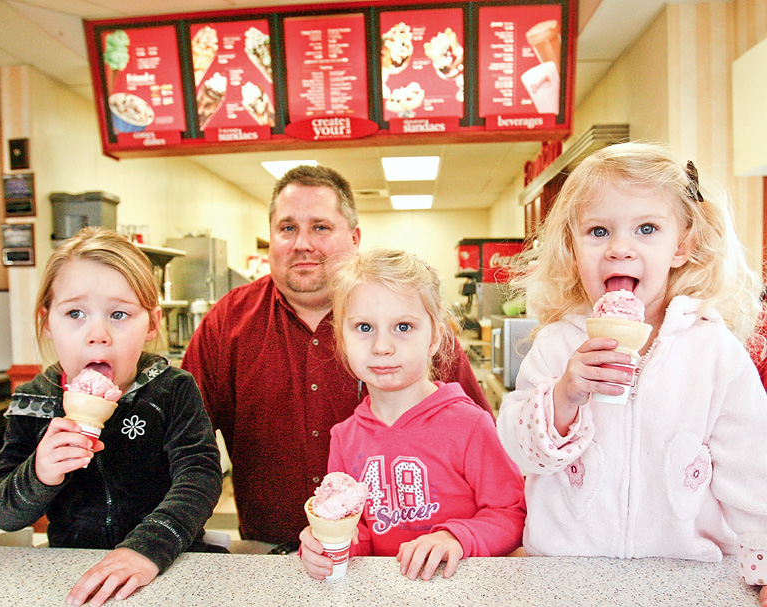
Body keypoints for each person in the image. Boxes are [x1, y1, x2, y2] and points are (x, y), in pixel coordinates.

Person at [495, 142, 767, 605]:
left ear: (682, 245)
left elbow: (751, 471)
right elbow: (520, 454)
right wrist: (562, 397)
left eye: (646, 229)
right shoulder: (557, 344)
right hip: (565, 576)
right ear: (572, 247)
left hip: (685, 577)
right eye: (598, 231)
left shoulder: (714, 351)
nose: (620, 249)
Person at [182, 165, 492, 551]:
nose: (302, 244)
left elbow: (484, 446)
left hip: (409, 559)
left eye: (320, 227)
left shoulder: (406, 319)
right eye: (287, 228)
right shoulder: (228, 322)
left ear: (355, 237)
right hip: (269, 554)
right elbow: (184, 444)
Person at [0, 227, 224, 607]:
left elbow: (200, 476)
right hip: (73, 571)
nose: (98, 334)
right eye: (75, 313)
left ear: (151, 323)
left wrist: (146, 550)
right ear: (48, 321)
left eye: (119, 314)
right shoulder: (35, 399)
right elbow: (1, 510)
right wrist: (41, 472)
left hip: (167, 564)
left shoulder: (173, 389)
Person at [299, 248, 526, 581]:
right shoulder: (344, 438)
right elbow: (359, 533)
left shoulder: (469, 425)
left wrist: (456, 537)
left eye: (403, 326)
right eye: (364, 327)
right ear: (342, 341)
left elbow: (511, 515)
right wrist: (328, 545)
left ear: (434, 337)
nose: (382, 346)